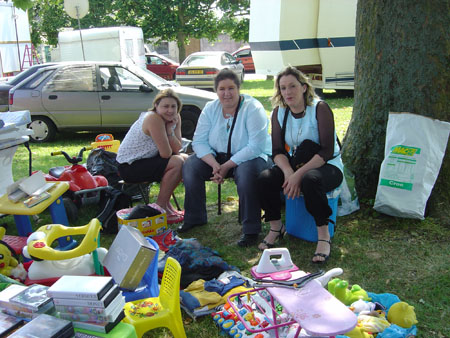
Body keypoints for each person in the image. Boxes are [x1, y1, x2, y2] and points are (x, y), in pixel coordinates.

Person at [257, 66, 343, 263]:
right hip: (296, 164)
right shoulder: (279, 112)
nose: (288, 92)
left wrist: (298, 175)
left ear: (304, 87)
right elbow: (277, 150)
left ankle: (323, 236)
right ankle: (276, 227)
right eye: (283, 88)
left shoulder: (320, 109)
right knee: (265, 178)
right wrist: (288, 172)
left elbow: (327, 150)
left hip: (328, 164)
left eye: (293, 86)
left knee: (310, 180)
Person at [178, 69, 272, 247]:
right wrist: (214, 165)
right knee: (190, 165)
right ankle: (195, 217)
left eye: (231, 88)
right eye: (222, 89)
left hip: (253, 157)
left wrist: (227, 166)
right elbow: (198, 141)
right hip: (219, 157)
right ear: (216, 91)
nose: (226, 93)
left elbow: (255, 146)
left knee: (245, 173)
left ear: (239, 89)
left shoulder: (253, 108)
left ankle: (251, 229)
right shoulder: (210, 108)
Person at [116, 88, 186, 224]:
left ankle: (166, 205)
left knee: (185, 159)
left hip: (146, 160)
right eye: (165, 106)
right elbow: (166, 154)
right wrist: (167, 129)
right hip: (129, 166)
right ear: (156, 106)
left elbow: (177, 149)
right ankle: (160, 208)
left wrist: (170, 130)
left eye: (173, 106)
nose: (170, 110)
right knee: (177, 162)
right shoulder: (153, 118)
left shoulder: (175, 117)